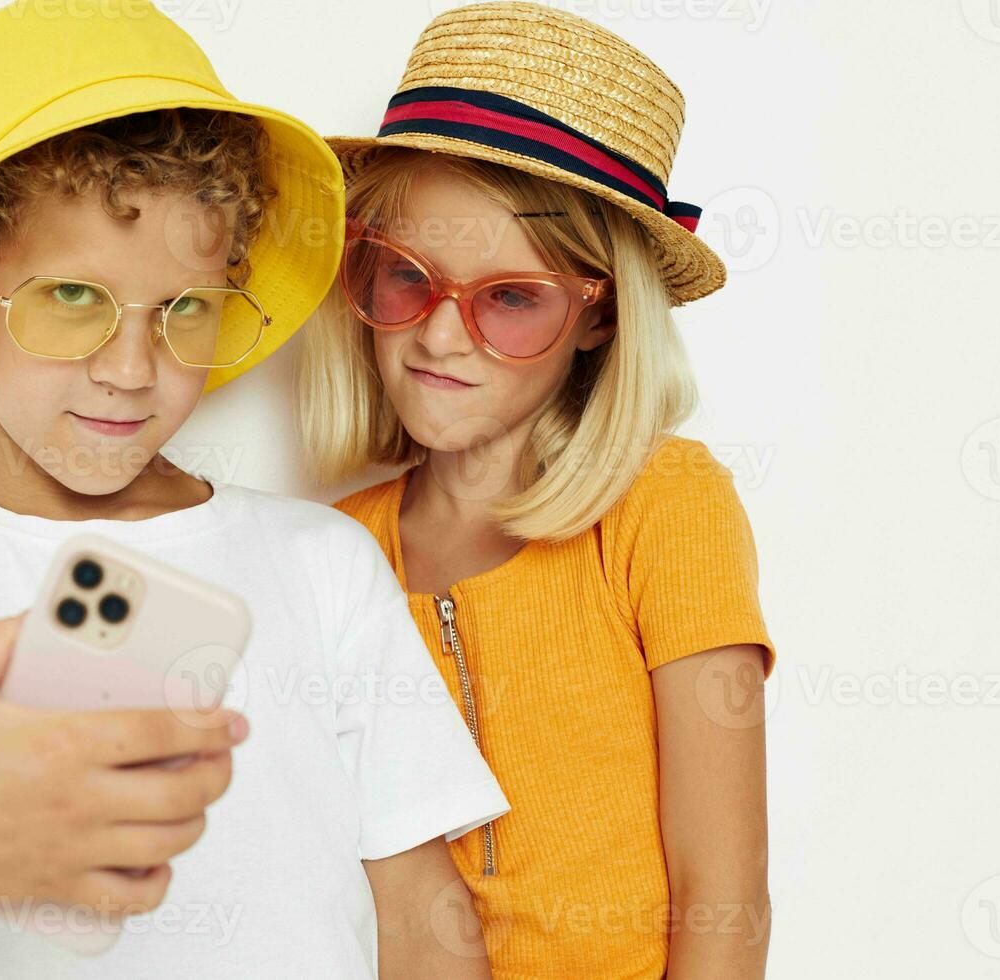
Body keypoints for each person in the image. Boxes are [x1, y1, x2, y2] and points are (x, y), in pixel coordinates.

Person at [0, 3, 508, 977]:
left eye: (185, 309)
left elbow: (423, 908)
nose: (131, 368)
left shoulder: (320, 562)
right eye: (73, 297)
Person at [299, 4, 776, 977]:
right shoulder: (336, 551)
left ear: (601, 316)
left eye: (510, 297)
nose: (438, 337)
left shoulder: (665, 504)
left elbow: (722, 890)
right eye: (405, 278)